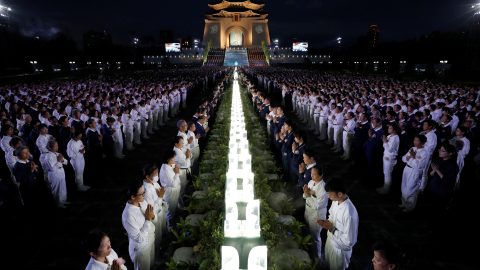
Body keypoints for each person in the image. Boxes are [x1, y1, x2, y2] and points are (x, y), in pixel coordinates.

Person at [317, 177, 359, 270]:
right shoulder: (335, 201)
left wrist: (332, 229)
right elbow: (331, 214)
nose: (328, 197)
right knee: (328, 265)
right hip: (330, 243)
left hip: (339, 251)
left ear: (340, 194)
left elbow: (349, 242)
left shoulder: (349, 213)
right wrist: (326, 223)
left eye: (330, 194)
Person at [122, 179, 156, 270]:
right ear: (133, 197)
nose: (144, 195)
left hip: (150, 239)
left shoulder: (142, 202)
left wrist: (152, 216)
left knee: (151, 264)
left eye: (144, 192)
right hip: (141, 249)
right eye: (142, 194)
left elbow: (151, 216)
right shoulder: (128, 215)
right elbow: (139, 238)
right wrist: (148, 220)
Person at [303, 165, 328, 260]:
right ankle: (310, 249)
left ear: (321, 176)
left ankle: (317, 257)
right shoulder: (311, 182)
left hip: (317, 214)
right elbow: (305, 196)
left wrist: (309, 195)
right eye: (311, 173)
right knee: (309, 230)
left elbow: (317, 205)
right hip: (308, 209)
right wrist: (306, 192)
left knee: (316, 236)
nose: (312, 176)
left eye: (314, 174)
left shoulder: (323, 188)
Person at [400, 135, 428, 212]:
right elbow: (403, 158)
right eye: (414, 140)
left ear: (422, 143)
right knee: (404, 187)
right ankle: (404, 203)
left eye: (417, 140)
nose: (415, 142)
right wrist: (408, 158)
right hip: (407, 168)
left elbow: (419, 165)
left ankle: (410, 207)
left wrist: (412, 157)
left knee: (411, 189)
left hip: (414, 171)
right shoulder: (412, 148)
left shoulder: (425, 153)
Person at [142, 163, 168, 251]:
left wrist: (161, 196)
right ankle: (158, 249)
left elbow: (161, 193)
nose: (157, 176)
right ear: (147, 177)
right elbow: (152, 210)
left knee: (162, 229)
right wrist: (160, 197)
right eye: (155, 174)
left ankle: (163, 241)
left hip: (161, 209)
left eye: (157, 173)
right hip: (155, 216)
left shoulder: (154, 183)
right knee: (157, 235)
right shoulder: (146, 191)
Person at [44, 140, 68, 208]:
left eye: (57, 145)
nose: (57, 147)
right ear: (50, 147)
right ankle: (58, 203)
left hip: (61, 173)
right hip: (54, 175)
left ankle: (63, 201)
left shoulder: (57, 154)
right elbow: (51, 168)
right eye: (55, 146)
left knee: (63, 188)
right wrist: (58, 160)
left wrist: (62, 160)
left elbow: (66, 162)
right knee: (57, 189)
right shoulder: (48, 156)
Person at [378, 123, 400, 194]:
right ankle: (384, 187)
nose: (388, 129)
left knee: (388, 174)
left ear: (394, 130)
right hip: (386, 156)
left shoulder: (396, 137)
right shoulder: (389, 136)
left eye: (390, 128)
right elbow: (385, 146)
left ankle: (386, 189)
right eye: (388, 128)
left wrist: (384, 141)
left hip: (390, 158)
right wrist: (385, 142)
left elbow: (390, 149)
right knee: (385, 173)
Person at [159, 150, 181, 221]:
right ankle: (170, 227)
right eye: (173, 158)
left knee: (174, 207)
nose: (175, 159)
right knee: (170, 211)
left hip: (174, 191)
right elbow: (173, 184)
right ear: (168, 159)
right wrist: (177, 173)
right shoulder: (165, 170)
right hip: (170, 193)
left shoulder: (170, 164)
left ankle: (175, 218)